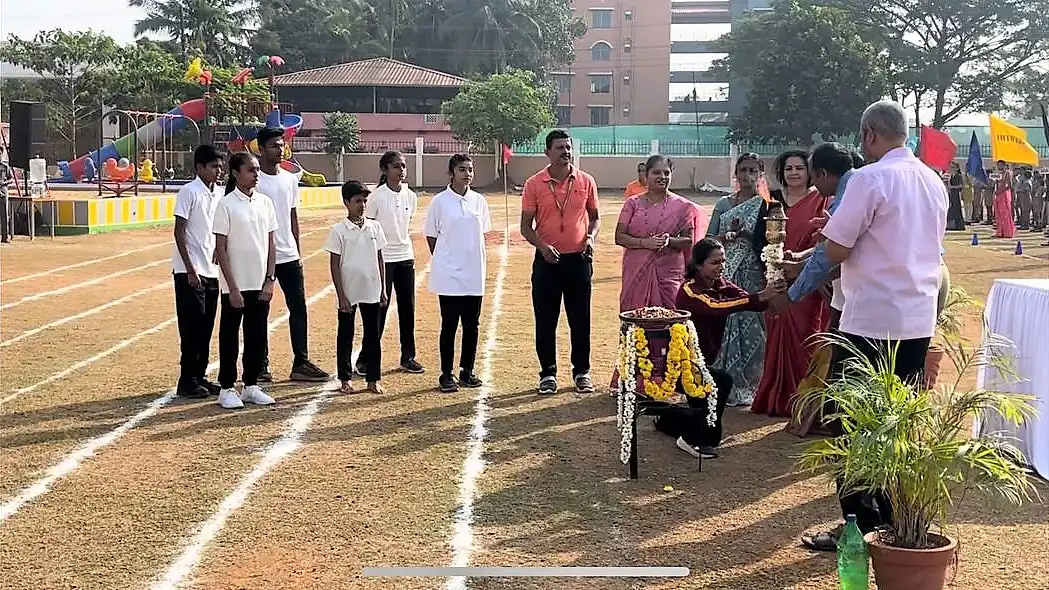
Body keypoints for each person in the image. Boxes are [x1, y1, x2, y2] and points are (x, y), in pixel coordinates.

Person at [801, 99, 947, 552]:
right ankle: (896, 520)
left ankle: (858, 525)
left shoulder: (869, 178)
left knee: (854, 423)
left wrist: (807, 262)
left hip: (870, 320)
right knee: (896, 422)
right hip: (916, 319)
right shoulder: (932, 180)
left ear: (868, 136)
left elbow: (838, 249)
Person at [653, 239, 784, 459]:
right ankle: (691, 439)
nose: (721, 266)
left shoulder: (720, 283)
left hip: (701, 363)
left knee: (707, 400)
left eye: (723, 261)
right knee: (720, 384)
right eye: (715, 262)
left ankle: (668, 419)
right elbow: (716, 308)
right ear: (697, 265)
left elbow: (746, 300)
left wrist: (771, 292)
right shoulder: (689, 291)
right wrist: (761, 296)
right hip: (677, 366)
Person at [779, 143, 863, 436]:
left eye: (811, 173)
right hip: (916, 284)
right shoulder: (858, 187)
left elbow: (826, 256)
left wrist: (791, 294)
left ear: (823, 173)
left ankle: (844, 427)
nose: (811, 182)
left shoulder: (853, 194)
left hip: (868, 294)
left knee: (847, 358)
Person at [520, 130, 600, 395]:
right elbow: (525, 227)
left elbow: (595, 217)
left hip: (578, 260)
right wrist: (542, 246)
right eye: (559, 148)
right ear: (547, 152)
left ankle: (582, 372)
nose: (566, 152)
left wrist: (590, 237)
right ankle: (548, 373)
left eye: (568, 147)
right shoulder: (535, 184)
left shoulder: (586, 181)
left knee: (580, 319)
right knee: (546, 319)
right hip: (547, 262)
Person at [751, 150, 830, 418]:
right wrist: (771, 263)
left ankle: (801, 398)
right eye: (788, 168)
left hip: (808, 279)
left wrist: (799, 265)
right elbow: (758, 239)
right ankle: (774, 397)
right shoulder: (771, 200)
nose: (794, 173)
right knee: (775, 335)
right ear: (781, 173)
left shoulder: (822, 200)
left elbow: (825, 240)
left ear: (809, 172)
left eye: (799, 168)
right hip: (775, 277)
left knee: (807, 336)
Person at [255, 126, 330, 383]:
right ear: (261, 149)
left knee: (298, 308)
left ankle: (301, 361)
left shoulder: (289, 179)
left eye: (282, 144)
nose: (280, 149)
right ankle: (260, 365)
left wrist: (298, 251)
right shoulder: (254, 181)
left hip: (288, 255)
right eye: (275, 145)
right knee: (260, 312)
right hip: (260, 257)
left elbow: (292, 216)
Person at [213, 153, 279, 410]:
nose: (256, 174)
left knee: (256, 336)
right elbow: (221, 249)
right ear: (235, 173)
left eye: (257, 169)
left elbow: (271, 244)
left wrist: (270, 279)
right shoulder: (226, 205)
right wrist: (232, 287)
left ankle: (251, 385)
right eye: (251, 170)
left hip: (260, 284)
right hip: (235, 287)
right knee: (230, 336)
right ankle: (227, 387)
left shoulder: (265, 203)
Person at [703, 153, 769, 406]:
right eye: (742, 170)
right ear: (736, 173)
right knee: (727, 319)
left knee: (753, 324)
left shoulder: (766, 205)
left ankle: (752, 382)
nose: (747, 176)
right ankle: (727, 381)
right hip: (726, 269)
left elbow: (768, 240)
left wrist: (747, 234)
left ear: (760, 173)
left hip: (752, 270)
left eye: (753, 170)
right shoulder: (723, 204)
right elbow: (709, 238)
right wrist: (728, 236)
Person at [425, 154, 492, 393]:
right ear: (451, 173)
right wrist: (446, 260)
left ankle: (467, 370)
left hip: (474, 271)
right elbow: (432, 236)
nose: (467, 173)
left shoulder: (479, 201)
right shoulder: (440, 202)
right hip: (449, 274)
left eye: (470, 169)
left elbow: (482, 232)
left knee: (472, 324)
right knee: (450, 325)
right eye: (462, 169)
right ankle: (446, 373)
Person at [360, 150, 424, 375]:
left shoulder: (410, 196)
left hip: (405, 257)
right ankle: (366, 358)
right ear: (385, 170)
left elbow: (406, 223)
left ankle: (408, 357)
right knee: (380, 309)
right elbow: (368, 227)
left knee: (408, 309)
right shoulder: (376, 196)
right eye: (396, 166)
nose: (401, 170)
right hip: (384, 259)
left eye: (403, 166)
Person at [171, 144, 223, 399]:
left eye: (219, 166)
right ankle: (187, 379)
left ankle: (200, 375)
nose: (218, 170)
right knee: (191, 327)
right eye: (213, 166)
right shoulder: (189, 192)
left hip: (211, 270)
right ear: (200, 167)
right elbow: (179, 231)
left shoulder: (218, 194)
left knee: (206, 327)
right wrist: (190, 270)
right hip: (190, 271)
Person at [326, 180, 388, 395]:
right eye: (357, 201)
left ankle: (373, 378)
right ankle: (345, 378)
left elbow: (380, 258)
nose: (361, 205)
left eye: (364, 200)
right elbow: (334, 264)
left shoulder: (375, 227)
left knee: (373, 335)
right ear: (346, 202)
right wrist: (341, 295)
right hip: (349, 291)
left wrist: (382, 289)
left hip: (371, 288)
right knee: (345, 335)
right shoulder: (339, 231)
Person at [992, 160, 1015, 238]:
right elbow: (995, 183)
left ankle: (1007, 232)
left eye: (1001, 165)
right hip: (998, 194)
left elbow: (1009, 185)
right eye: (998, 165)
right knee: (998, 213)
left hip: (1004, 194)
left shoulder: (1007, 173)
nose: (999, 167)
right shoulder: (998, 173)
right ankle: (1000, 231)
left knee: (1005, 213)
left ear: (1004, 165)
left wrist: (1000, 191)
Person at [946, 161, 967, 231]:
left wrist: (952, 187)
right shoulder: (950, 176)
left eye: (953, 167)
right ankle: (952, 225)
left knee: (957, 209)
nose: (951, 169)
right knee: (951, 209)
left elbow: (961, 185)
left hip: (957, 194)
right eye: (950, 167)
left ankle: (959, 225)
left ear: (957, 168)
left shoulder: (959, 176)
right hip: (951, 194)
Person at [0, 151, 11, 243]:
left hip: (3, 192)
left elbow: (10, 179)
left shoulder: (5, 166)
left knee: (4, 216)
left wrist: (4, 183)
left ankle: (5, 237)